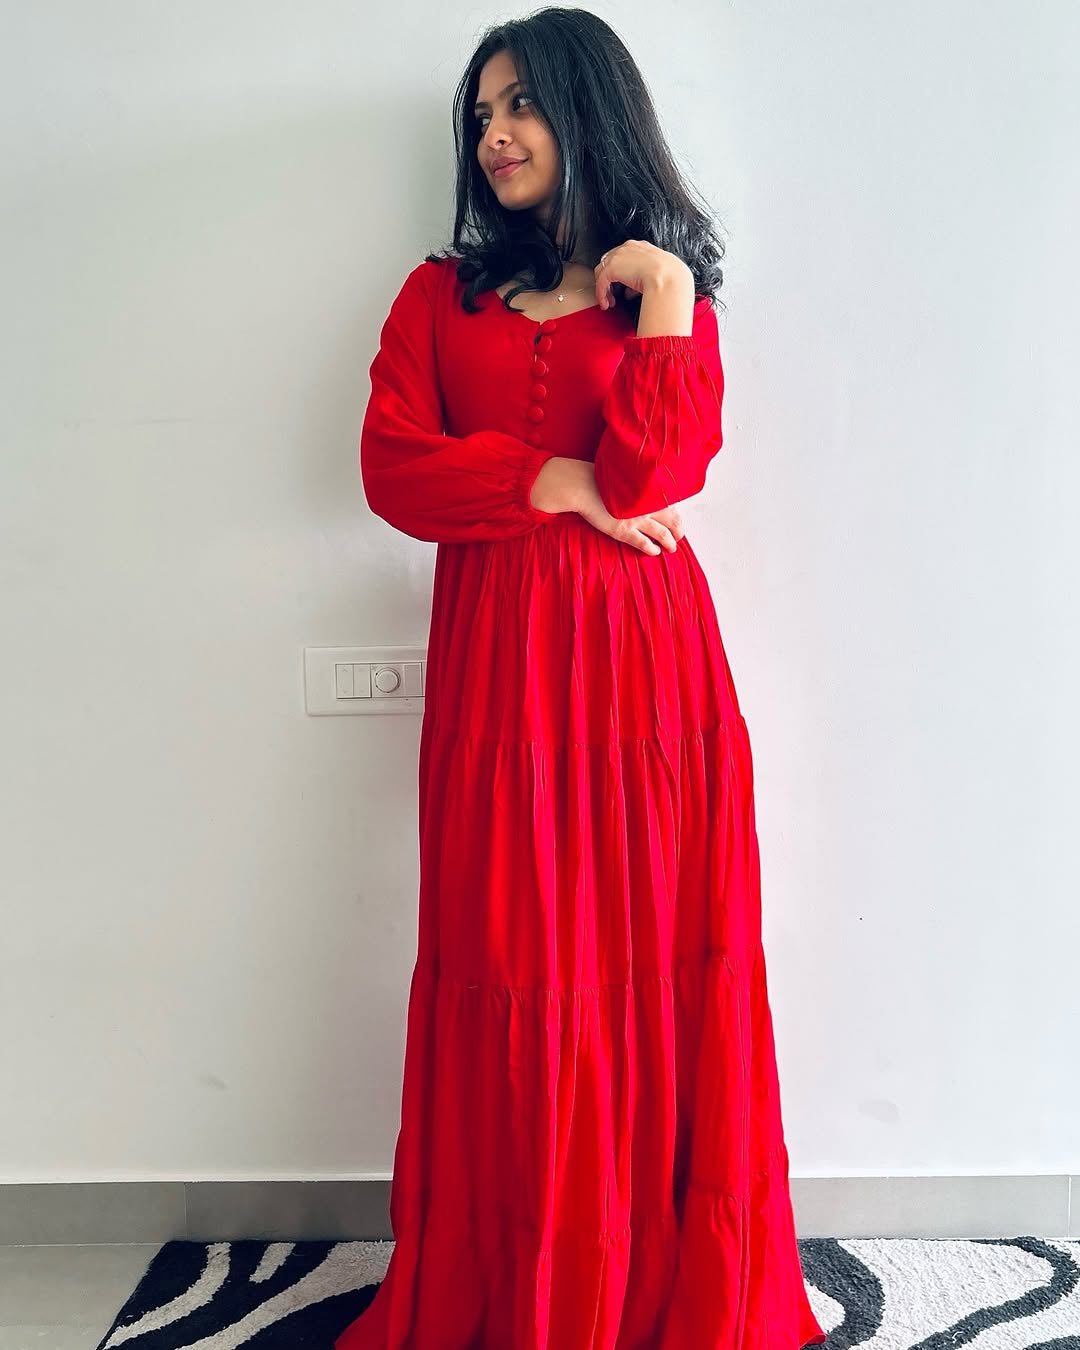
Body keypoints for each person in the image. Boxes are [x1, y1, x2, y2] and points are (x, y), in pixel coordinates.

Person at [335, 8, 827, 1350]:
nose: (494, 134)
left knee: (652, 960)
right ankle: (528, 1280)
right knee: (510, 956)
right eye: (481, 113)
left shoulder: (664, 295)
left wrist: (663, 297)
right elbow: (391, 467)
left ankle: (647, 1276)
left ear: (589, 110)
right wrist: (547, 479)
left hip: (644, 676)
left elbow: (656, 478)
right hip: (498, 678)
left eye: (522, 105)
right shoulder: (438, 297)